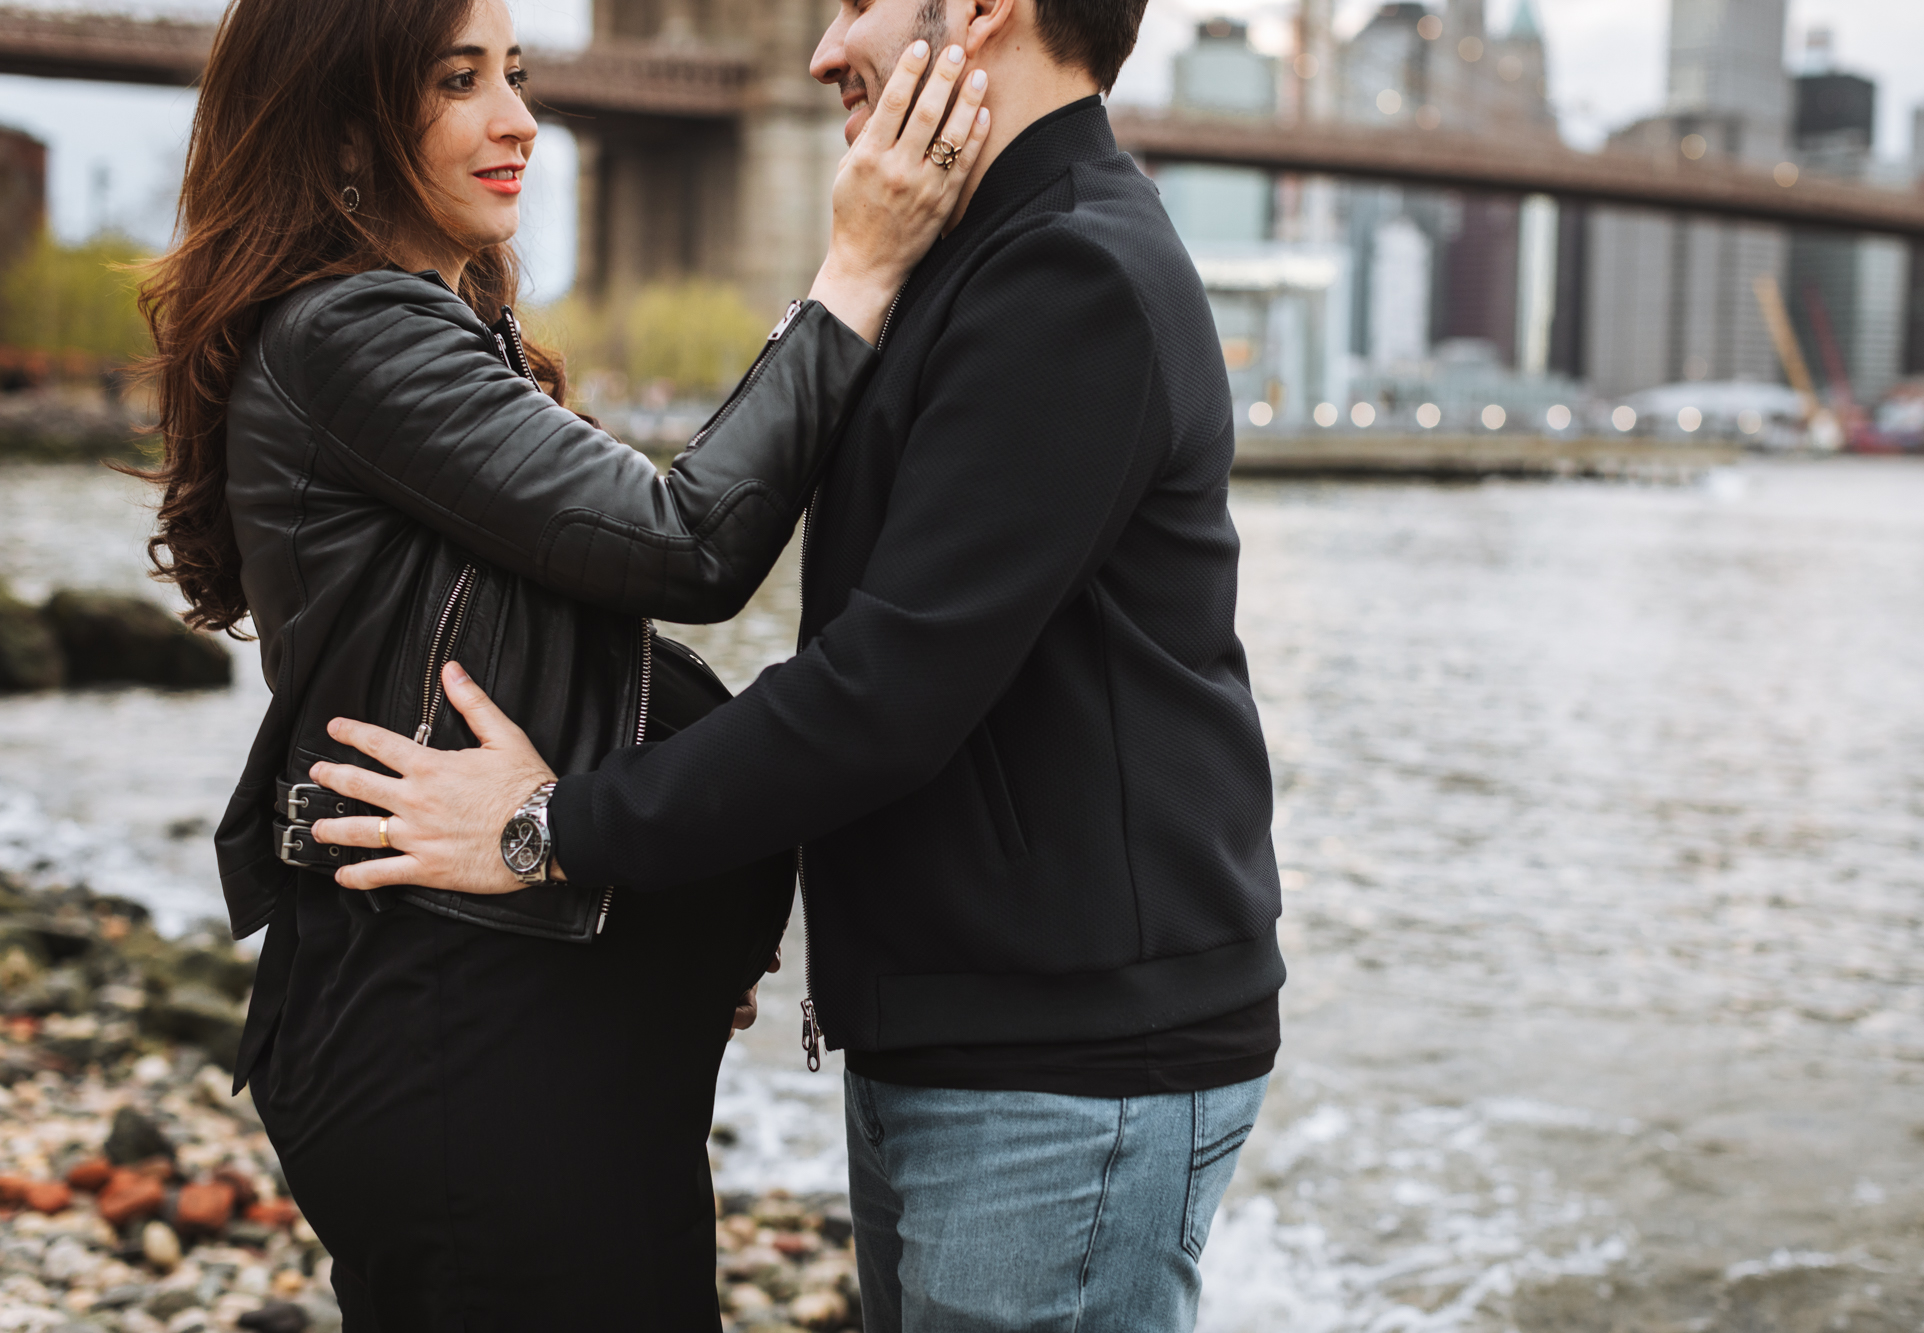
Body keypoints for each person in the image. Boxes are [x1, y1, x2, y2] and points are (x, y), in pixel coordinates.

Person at [309, 0, 1281, 1325]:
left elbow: (880, 694)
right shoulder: (974, 260)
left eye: (853, 5)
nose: (823, 51)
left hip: (1068, 1072)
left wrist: (554, 829)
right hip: (977, 1037)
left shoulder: (1072, 275)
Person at [133, 0, 991, 1324]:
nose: (518, 117)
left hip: (513, 1024)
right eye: (457, 81)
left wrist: (658, 878)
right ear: (343, 118)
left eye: (516, 74)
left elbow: (572, 647)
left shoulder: (409, 330)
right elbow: (687, 541)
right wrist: (859, 271)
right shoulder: (352, 331)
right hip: (463, 1044)